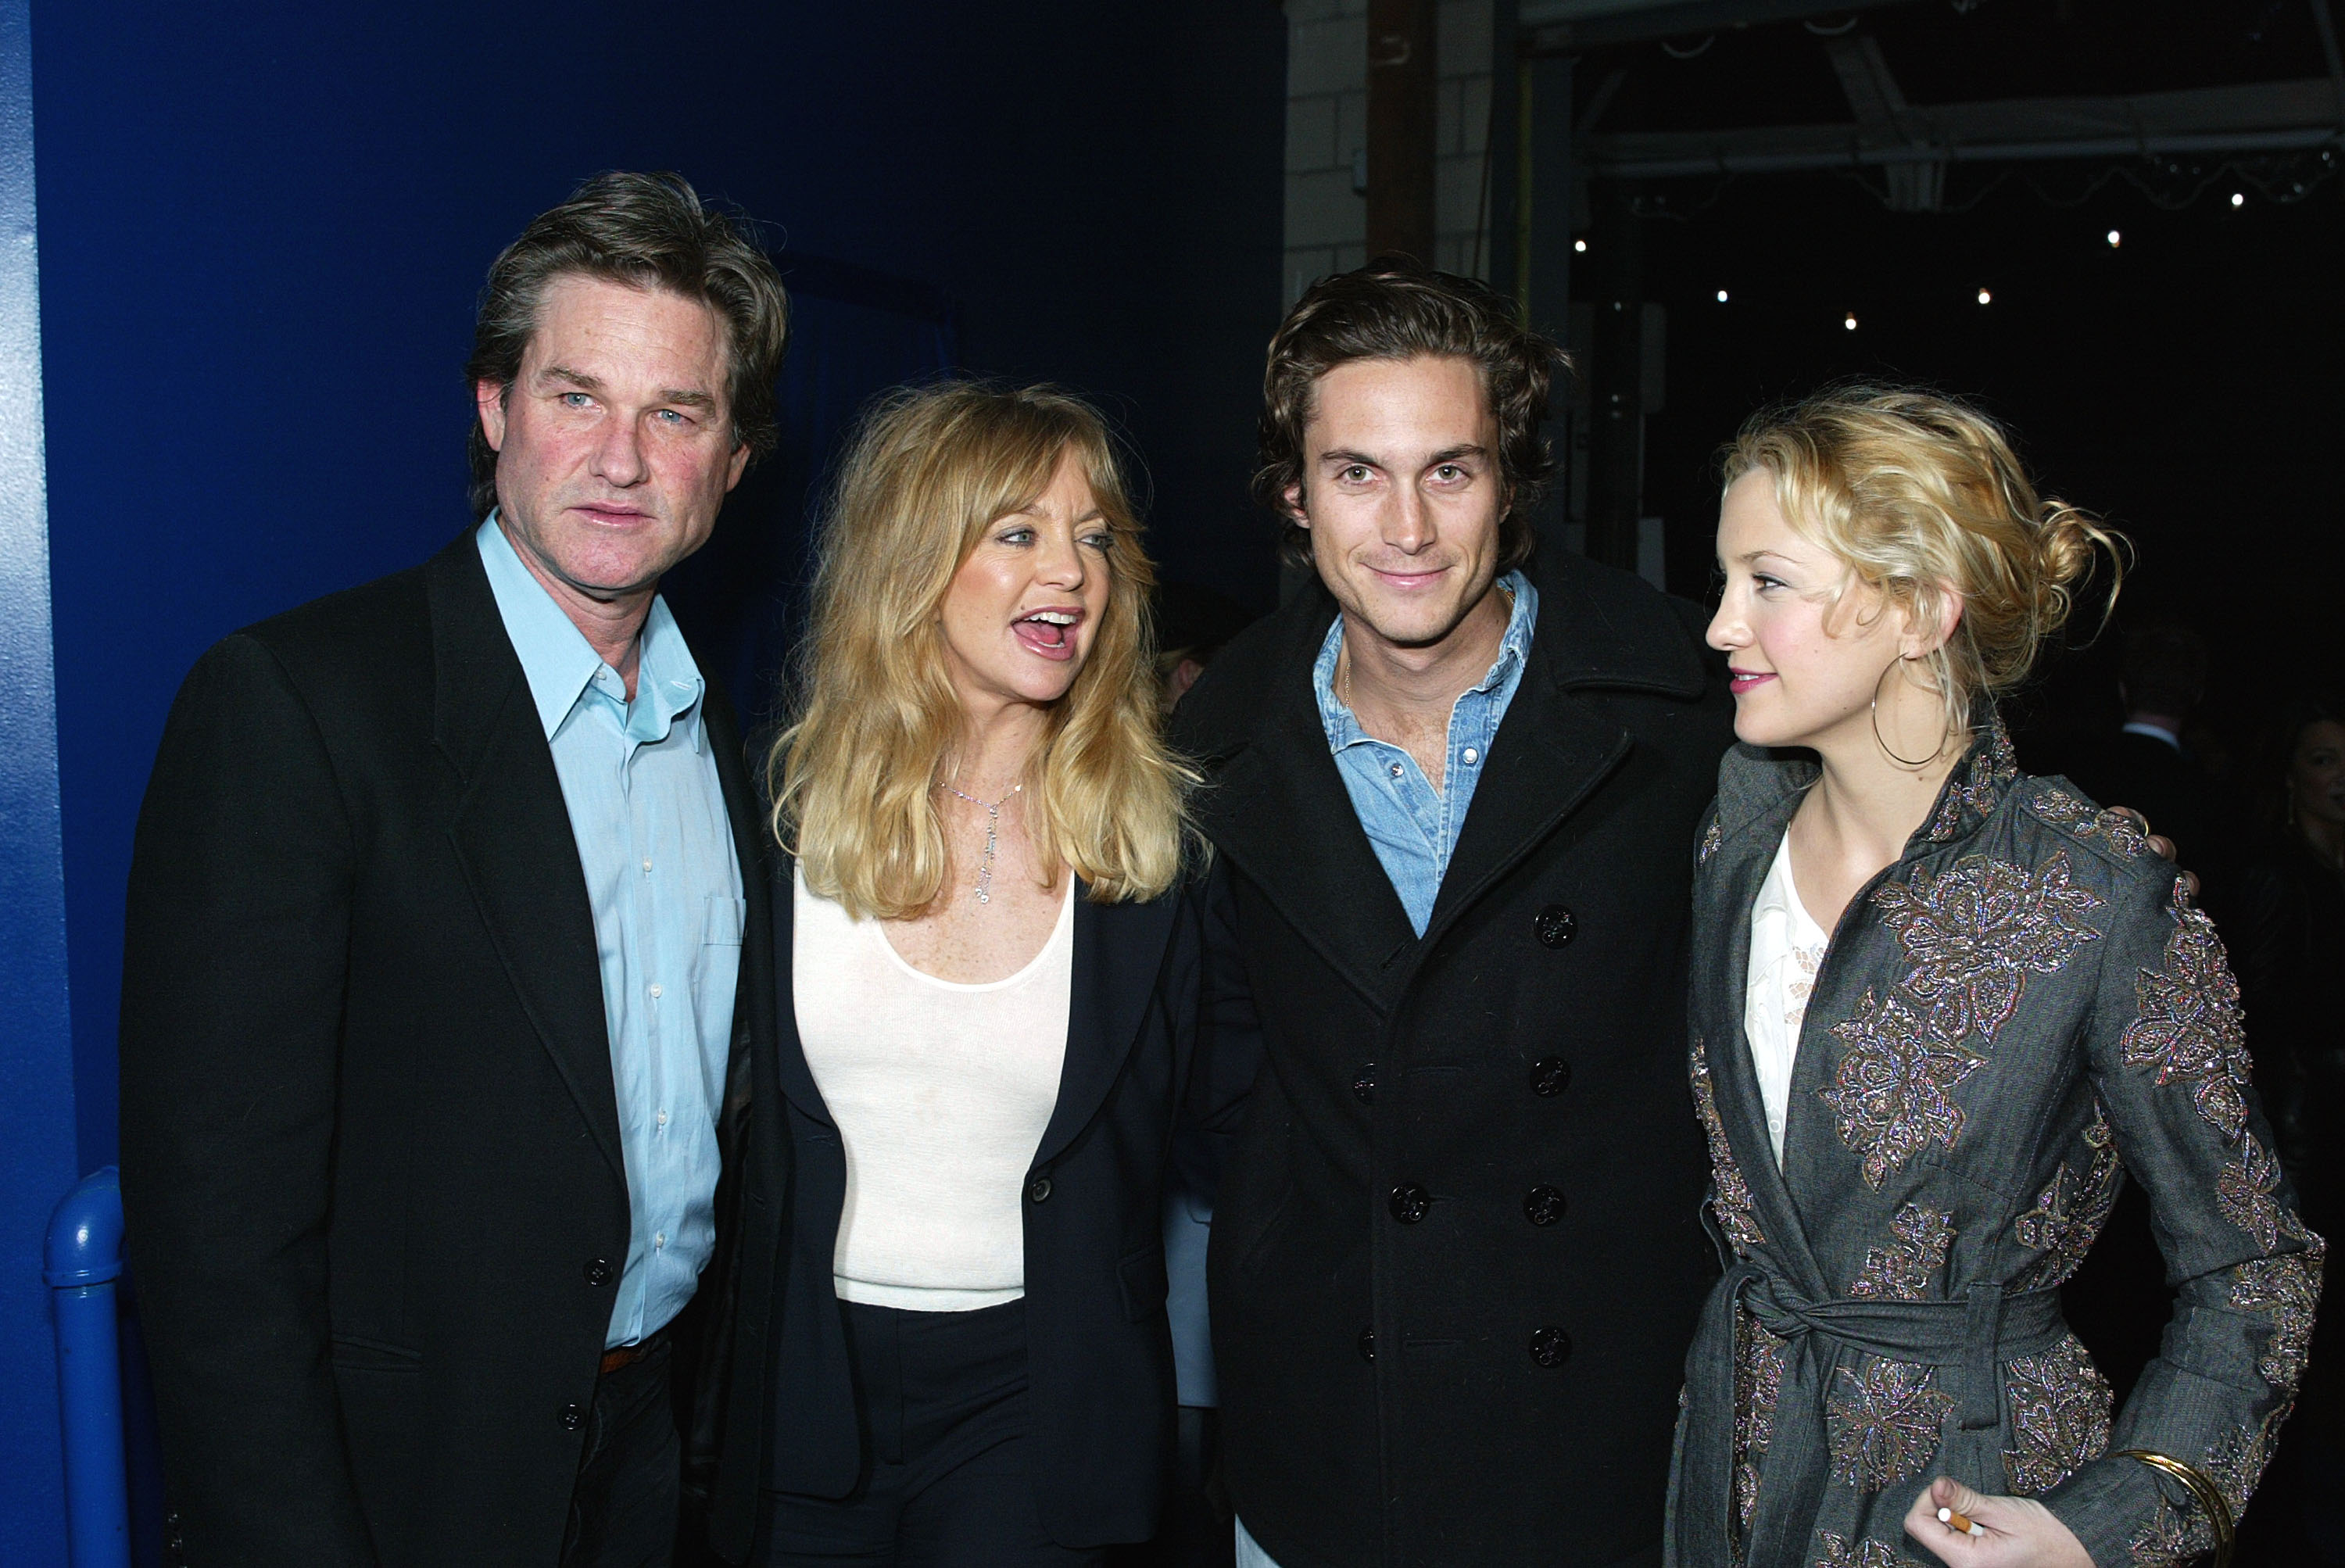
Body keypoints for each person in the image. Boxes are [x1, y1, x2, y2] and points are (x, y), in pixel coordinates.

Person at [118, 171, 789, 1568]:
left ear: (733, 459)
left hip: (655, 1458)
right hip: (404, 1494)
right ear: (493, 412)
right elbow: (217, 1247)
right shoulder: (296, 706)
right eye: (574, 396)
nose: (621, 458)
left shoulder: (715, 729)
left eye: (678, 412)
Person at [1677, 387, 2320, 1568]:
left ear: (1921, 605)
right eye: (1724, 581)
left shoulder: (2098, 895)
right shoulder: (1734, 836)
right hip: (1731, 1476)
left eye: (1765, 580)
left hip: (1967, 1505)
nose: (1719, 624)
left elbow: (2255, 1271)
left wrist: (2107, 1526)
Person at [1170, 258, 1735, 1568]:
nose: (1408, 529)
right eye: (1358, 472)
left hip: (1600, 1429)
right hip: (1332, 1432)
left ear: (1512, 482)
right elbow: (1209, 1075)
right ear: (1294, 493)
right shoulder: (1209, 749)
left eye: (1452, 470)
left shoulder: (1683, 715)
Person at [700, 382, 1249, 1567]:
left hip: (1043, 1408)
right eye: (1021, 533)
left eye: (1094, 538)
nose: (1073, 572)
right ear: (914, 556)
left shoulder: (1160, 851)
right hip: (798, 1395)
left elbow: (1262, 1129)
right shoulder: (772, 808)